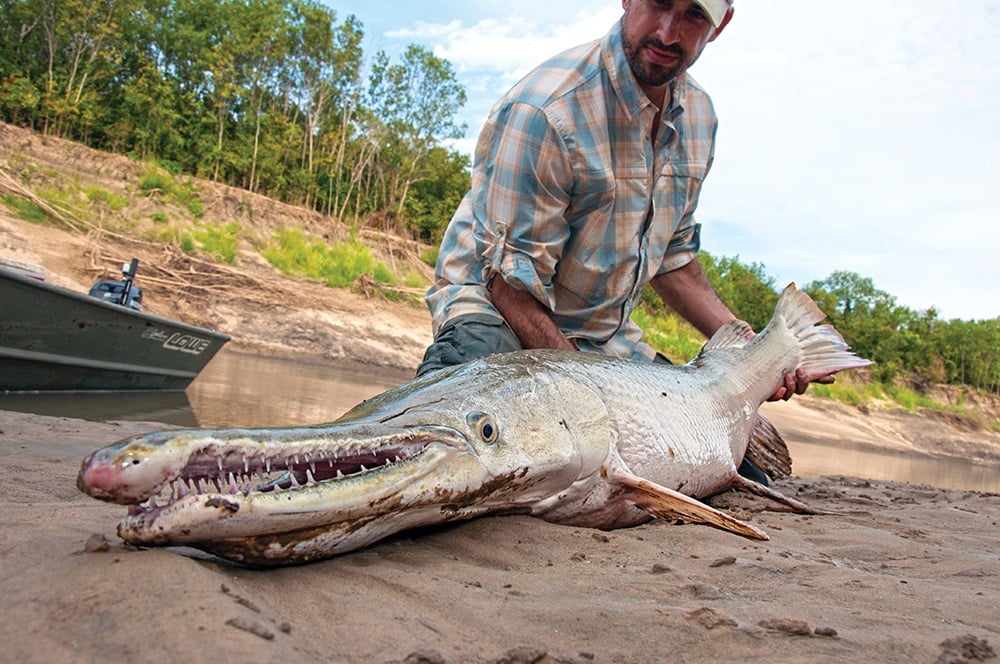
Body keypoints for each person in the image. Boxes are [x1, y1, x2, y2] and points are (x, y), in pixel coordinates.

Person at [418, 0, 828, 440]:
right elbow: (509, 291)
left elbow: (673, 259)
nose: (668, 33)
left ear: (720, 24)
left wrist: (757, 351)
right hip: (498, 313)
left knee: (725, 462)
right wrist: (601, 404)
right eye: (660, 3)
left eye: (694, 15)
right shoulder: (547, 111)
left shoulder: (700, 117)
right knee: (452, 443)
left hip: (604, 342)